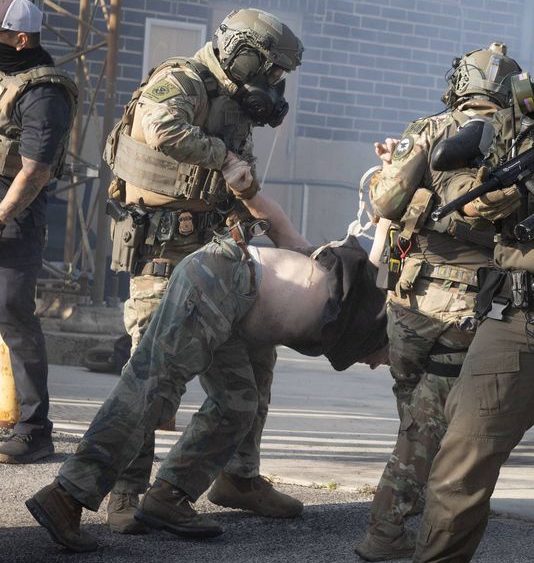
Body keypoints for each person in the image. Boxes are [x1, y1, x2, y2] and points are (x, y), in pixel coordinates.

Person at [25, 193, 389, 554]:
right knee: (152, 389)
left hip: (234, 307)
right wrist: (390, 198)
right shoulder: (371, 303)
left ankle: (170, 494)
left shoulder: (354, 304)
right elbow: (381, 232)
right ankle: (66, 495)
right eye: (388, 360)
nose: (378, 366)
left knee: (238, 403)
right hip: (219, 279)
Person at [412, 0, 534, 563]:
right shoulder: (517, 117)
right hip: (518, 312)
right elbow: (450, 181)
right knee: (461, 459)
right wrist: (482, 202)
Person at [102, 8, 305, 533]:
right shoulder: (181, 80)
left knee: (252, 372)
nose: (273, 82)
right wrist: (224, 159)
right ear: (242, 53)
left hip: (215, 259)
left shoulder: (234, 106)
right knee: (149, 379)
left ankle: (237, 477)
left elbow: (241, 187)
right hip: (163, 257)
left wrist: (284, 240)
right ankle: (125, 493)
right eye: (270, 69)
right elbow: (161, 127)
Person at [354, 44, 521, 561]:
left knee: (416, 412)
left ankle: (414, 514)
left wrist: (390, 170)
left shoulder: (427, 129)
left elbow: (385, 202)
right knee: (428, 426)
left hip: (408, 302)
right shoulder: (519, 140)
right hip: (466, 309)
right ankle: (386, 532)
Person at [0, 0, 77, 464]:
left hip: (15, 216)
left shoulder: (45, 93)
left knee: (12, 311)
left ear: (21, 39)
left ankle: (34, 430)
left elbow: (35, 172)